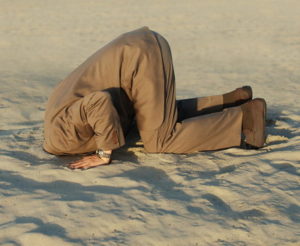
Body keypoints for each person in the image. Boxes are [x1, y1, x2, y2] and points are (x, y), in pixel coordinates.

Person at [43, 26, 267, 170]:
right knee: (155, 117)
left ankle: (245, 119)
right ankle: (233, 100)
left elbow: (99, 102)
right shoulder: (59, 124)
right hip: (137, 49)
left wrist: (103, 153)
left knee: (159, 139)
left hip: (138, 58)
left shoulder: (62, 138)